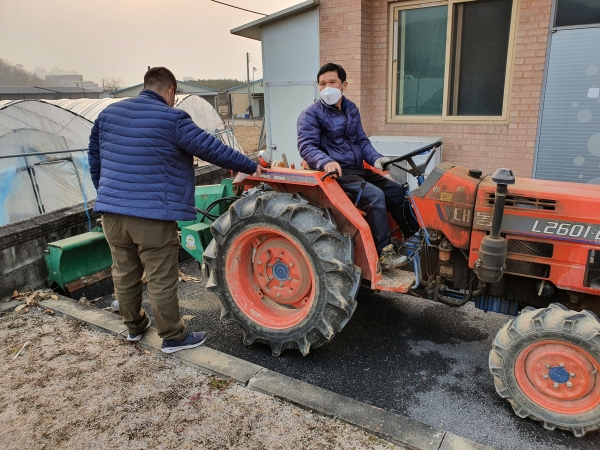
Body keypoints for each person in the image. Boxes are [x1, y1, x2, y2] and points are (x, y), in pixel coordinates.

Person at [88, 67, 260, 353]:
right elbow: (211, 149)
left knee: (124, 271)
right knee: (160, 276)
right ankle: (173, 336)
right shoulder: (172, 118)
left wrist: (111, 197)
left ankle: (134, 327)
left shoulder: (107, 115)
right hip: (152, 216)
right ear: (170, 91)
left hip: (112, 214)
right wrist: (253, 166)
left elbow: (95, 161)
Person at [297, 63, 420, 269]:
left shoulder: (351, 109)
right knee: (375, 197)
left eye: (332, 82)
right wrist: (326, 161)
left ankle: (414, 237)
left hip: (357, 171)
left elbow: (361, 142)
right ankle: (385, 253)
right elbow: (306, 146)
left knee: (396, 191)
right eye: (322, 83)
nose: (327, 87)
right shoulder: (311, 114)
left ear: (343, 84)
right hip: (336, 174)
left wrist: (377, 159)